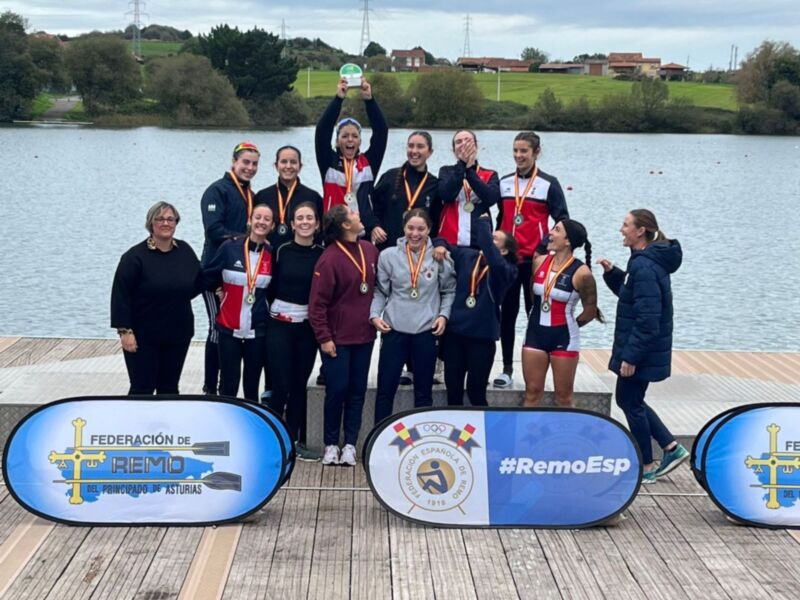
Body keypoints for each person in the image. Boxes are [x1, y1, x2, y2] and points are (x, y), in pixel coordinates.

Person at [598, 209, 688, 484]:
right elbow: (633, 296)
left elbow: (648, 319)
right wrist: (614, 274)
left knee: (629, 401)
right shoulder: (643, 262)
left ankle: (648, 464)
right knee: (631, 400)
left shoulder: (645, 266)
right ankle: (671, 448)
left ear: (641, 231)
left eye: (626, 225)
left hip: (642, 351)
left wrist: (631, 356)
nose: (621, 229)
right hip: (645, 349)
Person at [493, 131, 568, 389]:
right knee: (507, 316)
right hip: (508, 262)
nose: (518, 156)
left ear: (536, 152)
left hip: (534, 261)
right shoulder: (503, 183)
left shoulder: (548, 183)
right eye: (515, 151)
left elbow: (562, 222)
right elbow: (501, 219)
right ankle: (506, 368)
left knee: (534, 314)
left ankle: (534, 371)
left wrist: (541, 248)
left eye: (524, 151)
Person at [370, 208, 456, 423]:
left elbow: (448, 290)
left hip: (425, 332)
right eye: (410, 228)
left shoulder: (440, 256)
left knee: (424, 393)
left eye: (421, 229)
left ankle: (420, 445)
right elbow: (381, 291)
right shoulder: (388, 255)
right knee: (385, 390)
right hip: (394, 331)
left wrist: (443, 316)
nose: (415, 234)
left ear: (429, 230)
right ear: (403, 228)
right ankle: (377, 441)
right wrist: (374, 315)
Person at [309, 204, 379, 466]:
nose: (359, 216)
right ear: (344, 226)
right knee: (337, 390)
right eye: (353, 215)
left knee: (357, 391)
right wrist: (324, 337)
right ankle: (330, 444)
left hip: (364, 337)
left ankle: (350, 443)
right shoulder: (329, 258)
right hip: (336, 340)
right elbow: (317, 304)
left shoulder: (370, 251)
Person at [111, 202, 201, 395]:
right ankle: (135, 425)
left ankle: (166, 426)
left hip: (178, 333)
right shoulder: (134, 257)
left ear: (176, 223)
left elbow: (198, 282)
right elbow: (121, 295)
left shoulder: (184, 251)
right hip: (143, 336)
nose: (165, 223)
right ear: (151, 223)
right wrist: (125, 331)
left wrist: (220, 286)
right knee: (142, 388)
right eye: (159, 219)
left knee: (169, 388)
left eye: (170, 219)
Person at [200, 141, 261, 395]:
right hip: (216, 273)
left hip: (242, 275)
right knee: (217, 328)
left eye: (254, 163)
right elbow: (214, 230)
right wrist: (245, 240)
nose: (249, 167)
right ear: (233, 162)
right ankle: (209, 388)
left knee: (231, 331)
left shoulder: (250, 194)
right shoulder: (216, 191)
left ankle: (227, 384)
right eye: (245, 162)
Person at [265, 202, 324, 461]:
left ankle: (294, 441)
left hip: (307, 327)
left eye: (309, 218)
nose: (304, 222)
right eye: (299, 218)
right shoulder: (280, 251)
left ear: (317, 224)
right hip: (279, 325)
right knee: (279, 385)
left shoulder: (322, 253)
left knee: (299, 385)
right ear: (291, 224)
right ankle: (273, 439)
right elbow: (268, 285)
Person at [522, 219, 602, 407]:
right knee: (532, 392)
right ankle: (526, 436)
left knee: (563, 397)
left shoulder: (582, 273)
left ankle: (565, 436)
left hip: (564, 338)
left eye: (556, 230)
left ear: (567, 241)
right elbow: (532, 296)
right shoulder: (539, 262)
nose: (550, 232)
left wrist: (570, 325)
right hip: (535, 334)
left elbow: (590, 311)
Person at [441, 218, 518, 407]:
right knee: (453, 393)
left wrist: (483, 221)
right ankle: (455, 435)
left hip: (481, 339)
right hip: (455, 335)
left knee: (476, 393)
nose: (488, 241)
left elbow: (487, 247)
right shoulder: (468, 256)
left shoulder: (506, 271)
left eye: (495, 240)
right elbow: (441, 241)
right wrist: (440, 245)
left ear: (504, 251)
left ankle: (484, 435)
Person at [203, 204, 274, 402]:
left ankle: (250, 428)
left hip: (257, 331)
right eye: (258, 217)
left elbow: (275, 290)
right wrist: (218, 290)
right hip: (228, 329)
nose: (261, 222)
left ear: (272, 225)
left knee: (251, 386)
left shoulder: (271, 253)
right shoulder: (230, 248)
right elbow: (208, 276)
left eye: (266, 219)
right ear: (250, 221)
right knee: (228, 385)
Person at [314, 77, 388, 242]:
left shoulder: (369, 163)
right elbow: (322, 131)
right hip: (333, 234)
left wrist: (369, 100)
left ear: (360, 141)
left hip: (362, 232)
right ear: (337, 140)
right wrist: (338, 99)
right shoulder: (328, 162)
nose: (350, 140)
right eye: (345, 136)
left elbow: (381, 131)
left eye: (354, 136)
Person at [371, 131, 440, 250]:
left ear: (430, 152)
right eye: (411, 146)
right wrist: (374, 226)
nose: (414, 151)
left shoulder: (434, 184)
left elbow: (436, 222)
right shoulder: (389, 177)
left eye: (420, 146)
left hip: (418, 252)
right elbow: (372, 207)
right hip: (387, 248)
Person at [436, 129, 500, 248]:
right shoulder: (446, 171)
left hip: (479, 243)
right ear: (454, 150)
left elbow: (490, 199)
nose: (464, 144)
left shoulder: (490, 174)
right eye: (459, 142)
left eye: (468, 141)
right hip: (449, 242)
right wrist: (462, 166)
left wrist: (469, 171)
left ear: (476, 146)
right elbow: (446, 195)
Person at [255, 145, 323, 250]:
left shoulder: (313, 197)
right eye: (283, 161)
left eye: (293, 162)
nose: (288, 166)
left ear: (300, 167)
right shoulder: (262, 196)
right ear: (276, 166)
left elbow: (320, 231)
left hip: (301, 256)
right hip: (268, 255)